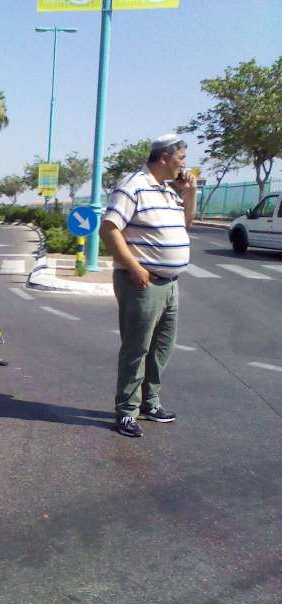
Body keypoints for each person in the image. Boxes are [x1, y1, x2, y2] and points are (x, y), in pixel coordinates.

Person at [100, 133, 197, 438]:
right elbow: (109, 229)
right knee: (137, 348)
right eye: (181, 159)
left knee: (161, 348)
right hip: (142, 281)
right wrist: (134, 267)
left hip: (169, 284)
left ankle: (149, 403)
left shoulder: (167, 191)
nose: (185, 165)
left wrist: (190, 194)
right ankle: (126, 411)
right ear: (165, 158)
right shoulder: (133, 186)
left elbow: (185, 225)